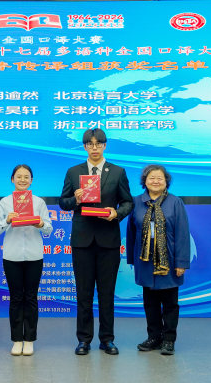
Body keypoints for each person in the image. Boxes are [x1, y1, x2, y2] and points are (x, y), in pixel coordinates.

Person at [59, 128, 133, 356]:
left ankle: (107, 339)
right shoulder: (74, 172)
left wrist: (116, 213)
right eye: (90, 144)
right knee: (83, 293)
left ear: (104, 146)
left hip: (108, 240)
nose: (94, 148)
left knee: (107, 293)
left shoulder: (118, 172)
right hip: (82, 241)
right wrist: (75, 199)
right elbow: (63, 202)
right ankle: (84, 340)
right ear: (84, 147)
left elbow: (128, 202)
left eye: (98, 144)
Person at [126, 164, 190, 356]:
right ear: (145, 181)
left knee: (170, 303)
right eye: (151, 178)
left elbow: (182, 234)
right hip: (145, 260)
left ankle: (169, 340)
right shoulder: (136, 202)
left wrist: (181, 262)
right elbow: (131, 233)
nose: (155, 181)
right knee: (150, 303)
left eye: (159, 178)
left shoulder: (175, 202)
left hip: (169, 260)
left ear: (166, 181)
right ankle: (154, 337)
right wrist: (132, 259)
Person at [0, 164, 53, 356]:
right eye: (19, 176)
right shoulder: (4, 203)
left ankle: (30, 340)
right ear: (12, 179)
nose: (22, 180)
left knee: (31, 298)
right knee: (16, 298)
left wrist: (40, 223)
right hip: (12, 256)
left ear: (31, 180)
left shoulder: (39, 202)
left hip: (34, 256)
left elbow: (49, 229)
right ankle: (17, 339)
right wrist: (7, 221)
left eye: (26, 177)